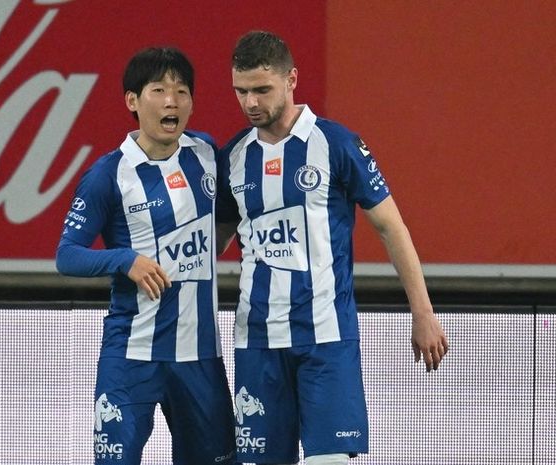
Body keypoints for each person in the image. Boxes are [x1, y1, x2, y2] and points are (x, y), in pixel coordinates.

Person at [216, 31, 449, 465]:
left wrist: (422, 312)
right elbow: (213, 240)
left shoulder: (336, 144)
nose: (250, 102)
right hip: (257, 341)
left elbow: (391, 227)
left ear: (292, 80)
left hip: (327, 339)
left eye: (261, 89)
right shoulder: (232, 156)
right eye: (240, 91)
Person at [56, 47, 235, 465]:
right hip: (131, 354)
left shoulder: (207, 153)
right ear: (132, 101)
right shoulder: (108, 175)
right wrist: (125, 260)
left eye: (182, 91)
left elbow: (230, 214)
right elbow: (67, 256)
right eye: (159, 90)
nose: (172, 101)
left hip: (200, 356)